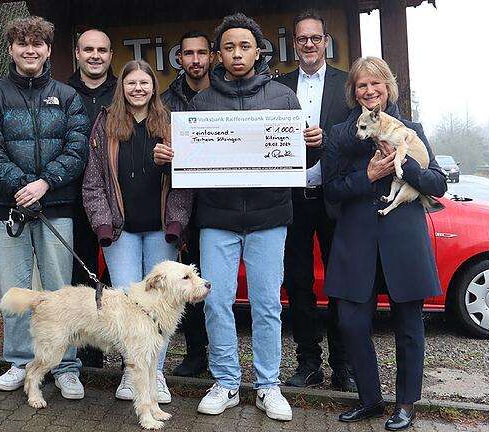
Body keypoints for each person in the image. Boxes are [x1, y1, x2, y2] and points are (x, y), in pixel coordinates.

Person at [321, 56, 447, 430]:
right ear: (353, 92)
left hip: (402, 239)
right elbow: (331, 191)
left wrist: (403, 165)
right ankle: (370, 399)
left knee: (409, 323)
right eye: (362, 85)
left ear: (388, 88)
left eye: (376, 84)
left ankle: (406, 403)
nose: (369, 90)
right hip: (356, 237)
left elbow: (437, 183)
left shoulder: (410, 129)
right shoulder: (341, 134)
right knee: (352, 322)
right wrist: (368, 174)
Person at [190, 13, 299, 422]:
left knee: (267, 303)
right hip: (217, 218)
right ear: (219, 53)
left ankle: (268, 385)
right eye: (229, 47)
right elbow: (191, 163)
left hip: (270, 218)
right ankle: (226, 381)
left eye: (245, 47)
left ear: (258, 51)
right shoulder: (201, 103)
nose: (237, 54)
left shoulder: (284, 98)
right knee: (216, 301)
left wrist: (314, 145)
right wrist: (171, 159)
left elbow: (298, 161)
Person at [0, 16, 90, 397]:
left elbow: (77, 149)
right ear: (10, 49)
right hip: (9, 209)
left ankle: (67, 366)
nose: (30, 50)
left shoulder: (68, 96)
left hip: (55, 205)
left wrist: (45, 182)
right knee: (15, 290)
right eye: (22, 43)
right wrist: (22, 186)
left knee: (62, 292)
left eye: (37, 44)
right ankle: (20, 362)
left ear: (48, 50)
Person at [82, 59, 192, 405]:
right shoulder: (105, 123)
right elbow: (94, 182)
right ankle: (131, 375)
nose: (138, 89)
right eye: (132, 83)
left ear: (153, 88)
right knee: (128, 309)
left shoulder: (170, 123)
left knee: (159, 309)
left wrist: (176, 220)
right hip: (121, 233)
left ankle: (156, 374)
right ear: (122, 88)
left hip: (161, 231)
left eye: (145, 83)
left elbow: (187, 180)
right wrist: (102, 223)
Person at [274, 10, 355, 392]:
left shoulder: (346, 86)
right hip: (291, 200)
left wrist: (330, 140)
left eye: (315, 38)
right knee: (298, 283)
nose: (309, 44)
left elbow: (360, 134)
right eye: (302, 39)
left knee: (340, 283)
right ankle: (308, 362)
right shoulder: (278, 86)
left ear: (326, 42)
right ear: (295, 43)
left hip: (335, 198)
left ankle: (343, 364)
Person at [160, 30, 215, 378]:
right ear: (179, 59)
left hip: (218, 203)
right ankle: (196, 354)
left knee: (215, 285)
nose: (195, 60)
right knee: (188, 281)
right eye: (188, 54)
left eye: (201, 53)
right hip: (182, 207)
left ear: (212, 57)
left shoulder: (225, 95)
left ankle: (223, 359)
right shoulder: (164, 101)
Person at [67, 28, 116, 369]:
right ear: (77, 54)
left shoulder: (124, 92)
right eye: (89, 49)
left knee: (121, 279)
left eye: (101, 49)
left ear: (111, 55)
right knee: (81, 279)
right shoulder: (62, 92)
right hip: (72, 200)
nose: (95, 55)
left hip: (117, 204)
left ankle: (125, 352)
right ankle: (87, 353)